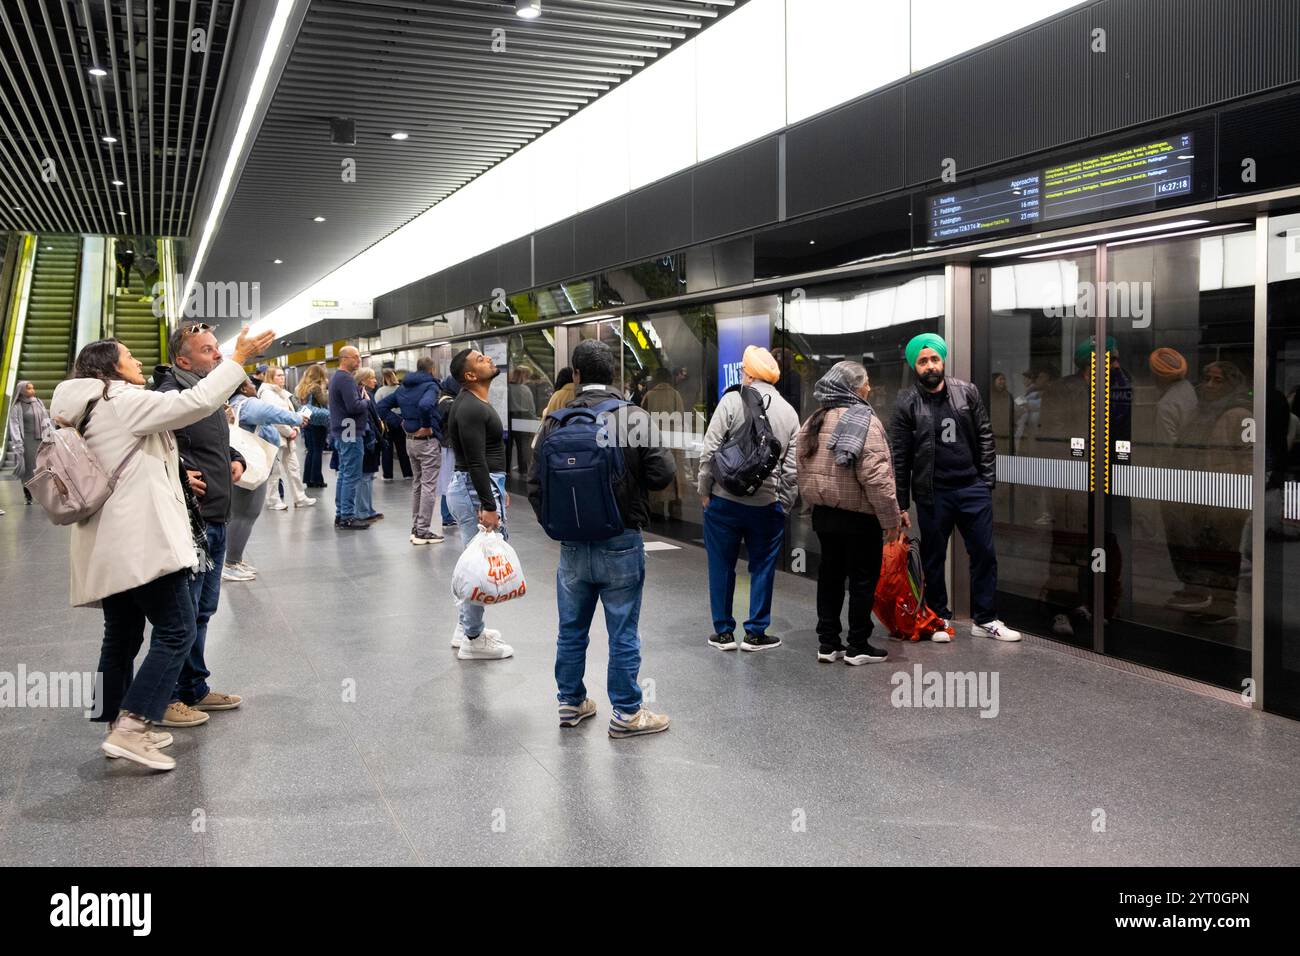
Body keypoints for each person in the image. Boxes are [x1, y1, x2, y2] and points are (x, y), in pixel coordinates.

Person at [50, 327, 274, 770]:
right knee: (178, 629)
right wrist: (238, 358)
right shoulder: (120, 400)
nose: (136, 361)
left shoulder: (87, 405)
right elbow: (193, 403)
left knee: (121, 635)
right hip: (142, 540)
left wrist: (176, 474)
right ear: (111, 367)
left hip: (109, 542)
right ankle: (133, 728)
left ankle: (112, 717)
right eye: (128, 355)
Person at [528, 338, 675, 737]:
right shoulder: (632, 416)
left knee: (571, 628)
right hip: (621, 539)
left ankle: (570, 702)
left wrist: (559, 526)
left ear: (575, 376)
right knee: (623, 629)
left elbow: (535, 484)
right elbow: (663, 473)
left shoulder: (553, 421)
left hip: (572, 545)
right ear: (614, 375)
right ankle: (627, 713)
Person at [153, 324, 253, 728]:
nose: (217, 356)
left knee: (203, 609)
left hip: (215, 514)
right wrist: (185, 471)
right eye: (207, 350)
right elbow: (161, 444)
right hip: (192, 519)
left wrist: (234, 456)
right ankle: (169, 695)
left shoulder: (206, 394)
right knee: (185, 611)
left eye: (217, 349)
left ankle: (194, 687)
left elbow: (211, 439)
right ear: (183, 360)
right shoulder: (170, 396)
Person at [890, 333, 1020, 641]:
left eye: (935, 359)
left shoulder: (967, 392)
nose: (930, 365)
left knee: (985, 554)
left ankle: (985, 619)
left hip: (972, 488)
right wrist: (901, 503)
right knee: (935, 558)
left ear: (943, 360)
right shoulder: (906, 403)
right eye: (923, 361)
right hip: (933, 493)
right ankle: (938, 618)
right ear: (915, 366)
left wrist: (985, 481)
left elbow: (986, 436)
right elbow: (900, 456)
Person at [796, 362, 902, 664]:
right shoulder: (865, 420)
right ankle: (858, 645)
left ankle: (828, 644)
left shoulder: (815, 418)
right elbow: (877, 477)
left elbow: (800, 465)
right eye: (865, 382)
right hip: (859, 517)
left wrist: (811, 502)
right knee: (862, 579)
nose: (869, 387)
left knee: (829, 577)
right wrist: (891, 518)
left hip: (825, 516)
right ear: (854, 387)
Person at [697, 345, 800, 651]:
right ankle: (756, 633)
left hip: (723, 500)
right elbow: (792, 470)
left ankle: (725, 633)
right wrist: (783, 504)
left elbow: (710, 449)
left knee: (721, 565)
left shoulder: (731, 401)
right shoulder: (789, 413)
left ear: (749, 374)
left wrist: (705, 490)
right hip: (766, 506)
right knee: (763, 566)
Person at [445, 347, 512, 660]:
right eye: (479, 359)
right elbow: (475, 461)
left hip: (475, 487)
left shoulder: (472, 401)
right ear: (470, 376)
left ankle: (465, 627)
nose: (487, 358)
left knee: (474, 559)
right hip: (474, 490)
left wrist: (498, 489)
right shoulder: (471, 406)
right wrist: (488, 502)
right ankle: (473, 637)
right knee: (480, 567)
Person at [224, 379, 309, 580]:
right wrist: (297, 418)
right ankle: (230, 563)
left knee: (245, 512)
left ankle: (234, 559)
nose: (256, 387)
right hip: (250, 466)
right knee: (245, 513)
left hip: (245, 464)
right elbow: (272, 412)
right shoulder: (246, 403)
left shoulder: (235, 403)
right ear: (244, 388)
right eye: (252, 384)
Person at [377, 355, 444, 545]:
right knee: (429, 486)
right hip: (427, 441)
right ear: (431, 370)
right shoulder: (431, 386)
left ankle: (416, 527)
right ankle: (423, 531)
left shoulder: (404, 387)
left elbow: (381, 406)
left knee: (418, 484)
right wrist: (426, 425)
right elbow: (425, 405)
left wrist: (401, 423)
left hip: (410, 441)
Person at [259, 366, 315, 510]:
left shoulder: (281, 393)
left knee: (293, 468)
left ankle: (300, 497)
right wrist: (289, 432)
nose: (282, 378)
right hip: (274, 437)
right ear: (271, 377)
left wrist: (295, 428)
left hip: (287, 436)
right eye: (278, 375)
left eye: (283, 375)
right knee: (274, 471)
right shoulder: (267, 394)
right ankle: (273, 500)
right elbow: (274, 417)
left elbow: (291, 413)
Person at [329, 346, 371, 530]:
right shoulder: (345, 379)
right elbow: (353, 406)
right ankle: (347, 516)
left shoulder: (337, 377)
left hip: (344, 429)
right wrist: (366, 401)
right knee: (352, 475)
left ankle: (341, 514)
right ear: (344, 358)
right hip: (351, 430)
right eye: (356, 357)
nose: (359, 361)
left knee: (345, 474)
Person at [640, 366, 688, 520]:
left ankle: (657, 514)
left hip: (655, 446)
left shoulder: (649, 395)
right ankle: (676, 514)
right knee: (675, 484)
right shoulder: (676, 395)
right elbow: (681, 421)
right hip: (673, 446)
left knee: (657, 484)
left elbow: (641, 423)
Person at [8, 380, 49, 504]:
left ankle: (44, 495)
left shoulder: (39, 402)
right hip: (26, 443)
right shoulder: (17, 406)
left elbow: (45, 419)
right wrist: (18, 443)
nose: (32, 391)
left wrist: (49, 434)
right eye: (29, 389)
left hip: (40, 441)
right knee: (28, 470)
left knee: (42, 468)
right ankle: (28, 495)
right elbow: (14, 425)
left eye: (33, 388)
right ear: (22, 391)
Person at [353, 367, 384, 522]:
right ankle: (361, 511)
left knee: (370, 477)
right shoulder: (360, 396)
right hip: (366, 440)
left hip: (372, 439)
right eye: (371, 378)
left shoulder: (368, 395)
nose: (375, 381)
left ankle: (369, 509)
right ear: (363, 380)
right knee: (364, 478)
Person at [375, 368, 413, 481]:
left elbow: (378, 407)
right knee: (402, 448)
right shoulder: (400, 389)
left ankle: (388, 475)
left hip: (386, 423)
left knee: (387, 449)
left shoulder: (380, 391)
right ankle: (407, 473)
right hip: (401, 421)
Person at [296, 363, 329, 488]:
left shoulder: (301, 387)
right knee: (317, 451)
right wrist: (325, 387)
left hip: (307, 421)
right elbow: (325, 401)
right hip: (317, 421)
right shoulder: (315, 387)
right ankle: (317, 479)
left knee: (311, 450)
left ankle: (308, 478)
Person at [507, 367, 536, 475]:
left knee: (508, 446)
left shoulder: (508, 388)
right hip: (523, 417)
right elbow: (531, 407)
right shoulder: (525, 389)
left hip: (509, 417)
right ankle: (523, 470)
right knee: (522, 446)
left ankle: (507, 470)